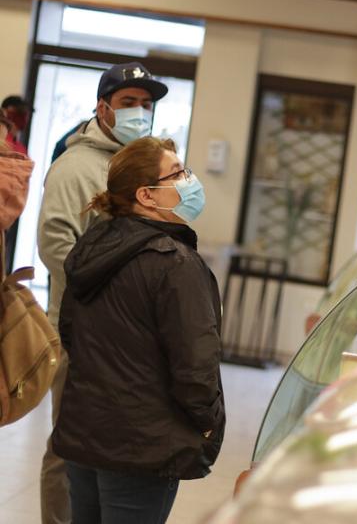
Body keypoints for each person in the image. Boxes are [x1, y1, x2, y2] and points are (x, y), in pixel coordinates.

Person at [53, 136, 225, 524]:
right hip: (141, 447)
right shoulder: (175, 264)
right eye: (178, 173)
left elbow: (71, 335)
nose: (189, 181)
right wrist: (208, 423)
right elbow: (195, 363)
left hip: (85, 433)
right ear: (147, 195)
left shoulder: (91, 248)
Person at [37, 62, 168, 524]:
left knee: (98, 445)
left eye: (147, 104)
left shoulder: (134, 166)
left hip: (121, 336)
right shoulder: (75, 167)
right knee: (67, 444)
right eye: (128, 102)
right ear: (103, 108)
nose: (140, 112)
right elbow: (56, 245)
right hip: (80, 330)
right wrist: (111, 296)